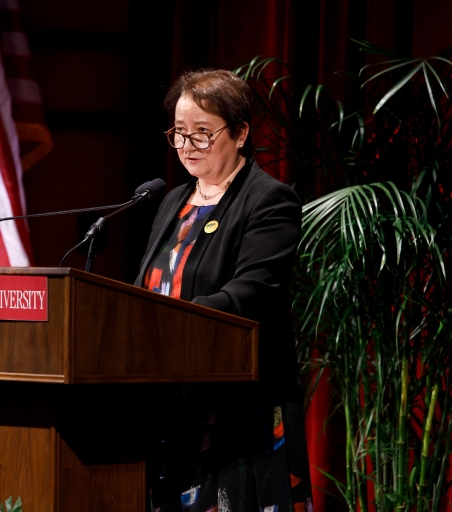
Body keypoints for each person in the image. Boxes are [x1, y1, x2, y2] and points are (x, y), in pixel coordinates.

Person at [136, 69, 313, 512]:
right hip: (166, 405)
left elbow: (249, 293)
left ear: (240, 133)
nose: (187, 145)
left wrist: (166, 324)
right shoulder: (171, 203)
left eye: (202, 132)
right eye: (179, 133)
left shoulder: (269, 200)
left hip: (235, 413)